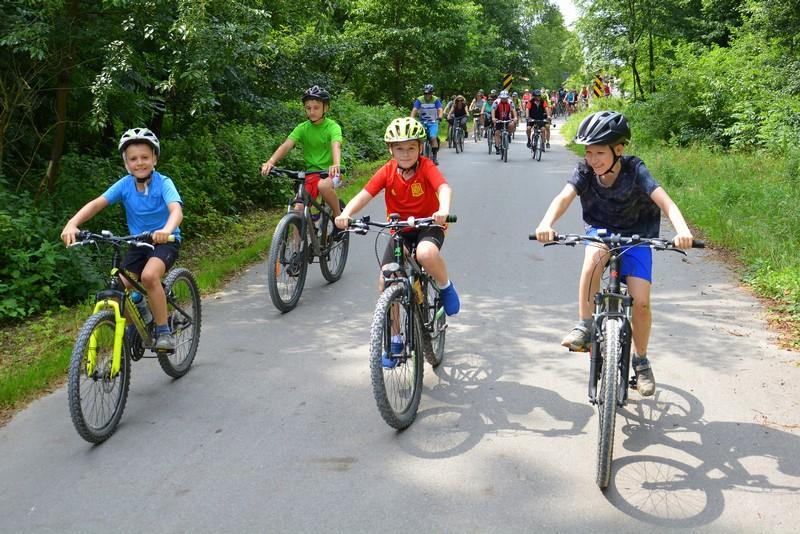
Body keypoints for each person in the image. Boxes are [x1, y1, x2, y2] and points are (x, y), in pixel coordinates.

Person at [533, 111, 694, 397]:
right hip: (601, 231)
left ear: (618, 150)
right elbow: (564, 197)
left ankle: (641, 362)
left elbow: (665, 202)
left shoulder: (635, 169)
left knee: (641, 303)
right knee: (592, 261)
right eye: (588, 152)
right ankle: (585, 326)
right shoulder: (585, 172)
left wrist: (682, 231)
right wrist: (546, 224)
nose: (592, 159)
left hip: (637, 235)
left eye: (599, 153)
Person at [335, 117, 460, 365]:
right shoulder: (387, 171)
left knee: (425, 253)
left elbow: (444, 188)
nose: (405, 153)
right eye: (399, 148)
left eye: (411, 147)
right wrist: (346, 213)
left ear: (420, 148)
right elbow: (364, 195)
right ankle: (394, 339)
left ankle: (445, 286)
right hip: (399, 229)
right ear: (390, 150)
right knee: (387, 278)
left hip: (428, 224)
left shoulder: (426, 167)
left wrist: (443, 209)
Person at [60, 128, 183, 351]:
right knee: (117, 289)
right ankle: (138, 325)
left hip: (165, 241)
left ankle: (164, 330)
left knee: (149, 276)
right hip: (137, 243)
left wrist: (166, 229)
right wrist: (72, 223)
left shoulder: (164, 183)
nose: (140, 163)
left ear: (154, 159)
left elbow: (176, 210)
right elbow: (97, 204)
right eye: (133, 159)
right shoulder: (125, 185)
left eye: (145, 157)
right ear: (126, 163)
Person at [261, 85, 343, 219]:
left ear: (325, 108)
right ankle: (297, 233)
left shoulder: (332, 127)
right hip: (312, 173)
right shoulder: (302, 128)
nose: (312, 112)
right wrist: (271, 162)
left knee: (323, 186)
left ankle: (338, 214)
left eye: (316, 108)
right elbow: (287, 145)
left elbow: (336, 145)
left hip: (332, 172)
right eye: (308, 108)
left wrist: (336, 164)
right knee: (298, 208)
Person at [410, 84, 443, 165]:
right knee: (419, 138)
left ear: (432, 93)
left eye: (429, 93)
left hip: (433, 121)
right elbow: (414, 109)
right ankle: (419, 155)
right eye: (425, 93)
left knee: (433, 137)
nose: (427, 95)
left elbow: (440, 109)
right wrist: (411, 119)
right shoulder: (419, 99)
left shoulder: (435, 100)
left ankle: (434, 157)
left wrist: (440, 117)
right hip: (422, 121)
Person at [492, 90, 517, 154]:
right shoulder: (496, 102)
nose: (504, 99)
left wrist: (515, 117)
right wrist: (493, 118)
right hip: (498, 119)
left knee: (512, 125)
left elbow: (513, 110)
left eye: (505, 98)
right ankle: (497, 146)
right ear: (500, 97)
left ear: (507, 97)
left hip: (507, 118)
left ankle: (508, 135)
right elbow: (493, 110)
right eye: (502, 98)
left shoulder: (510, 102)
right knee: (497, 132)